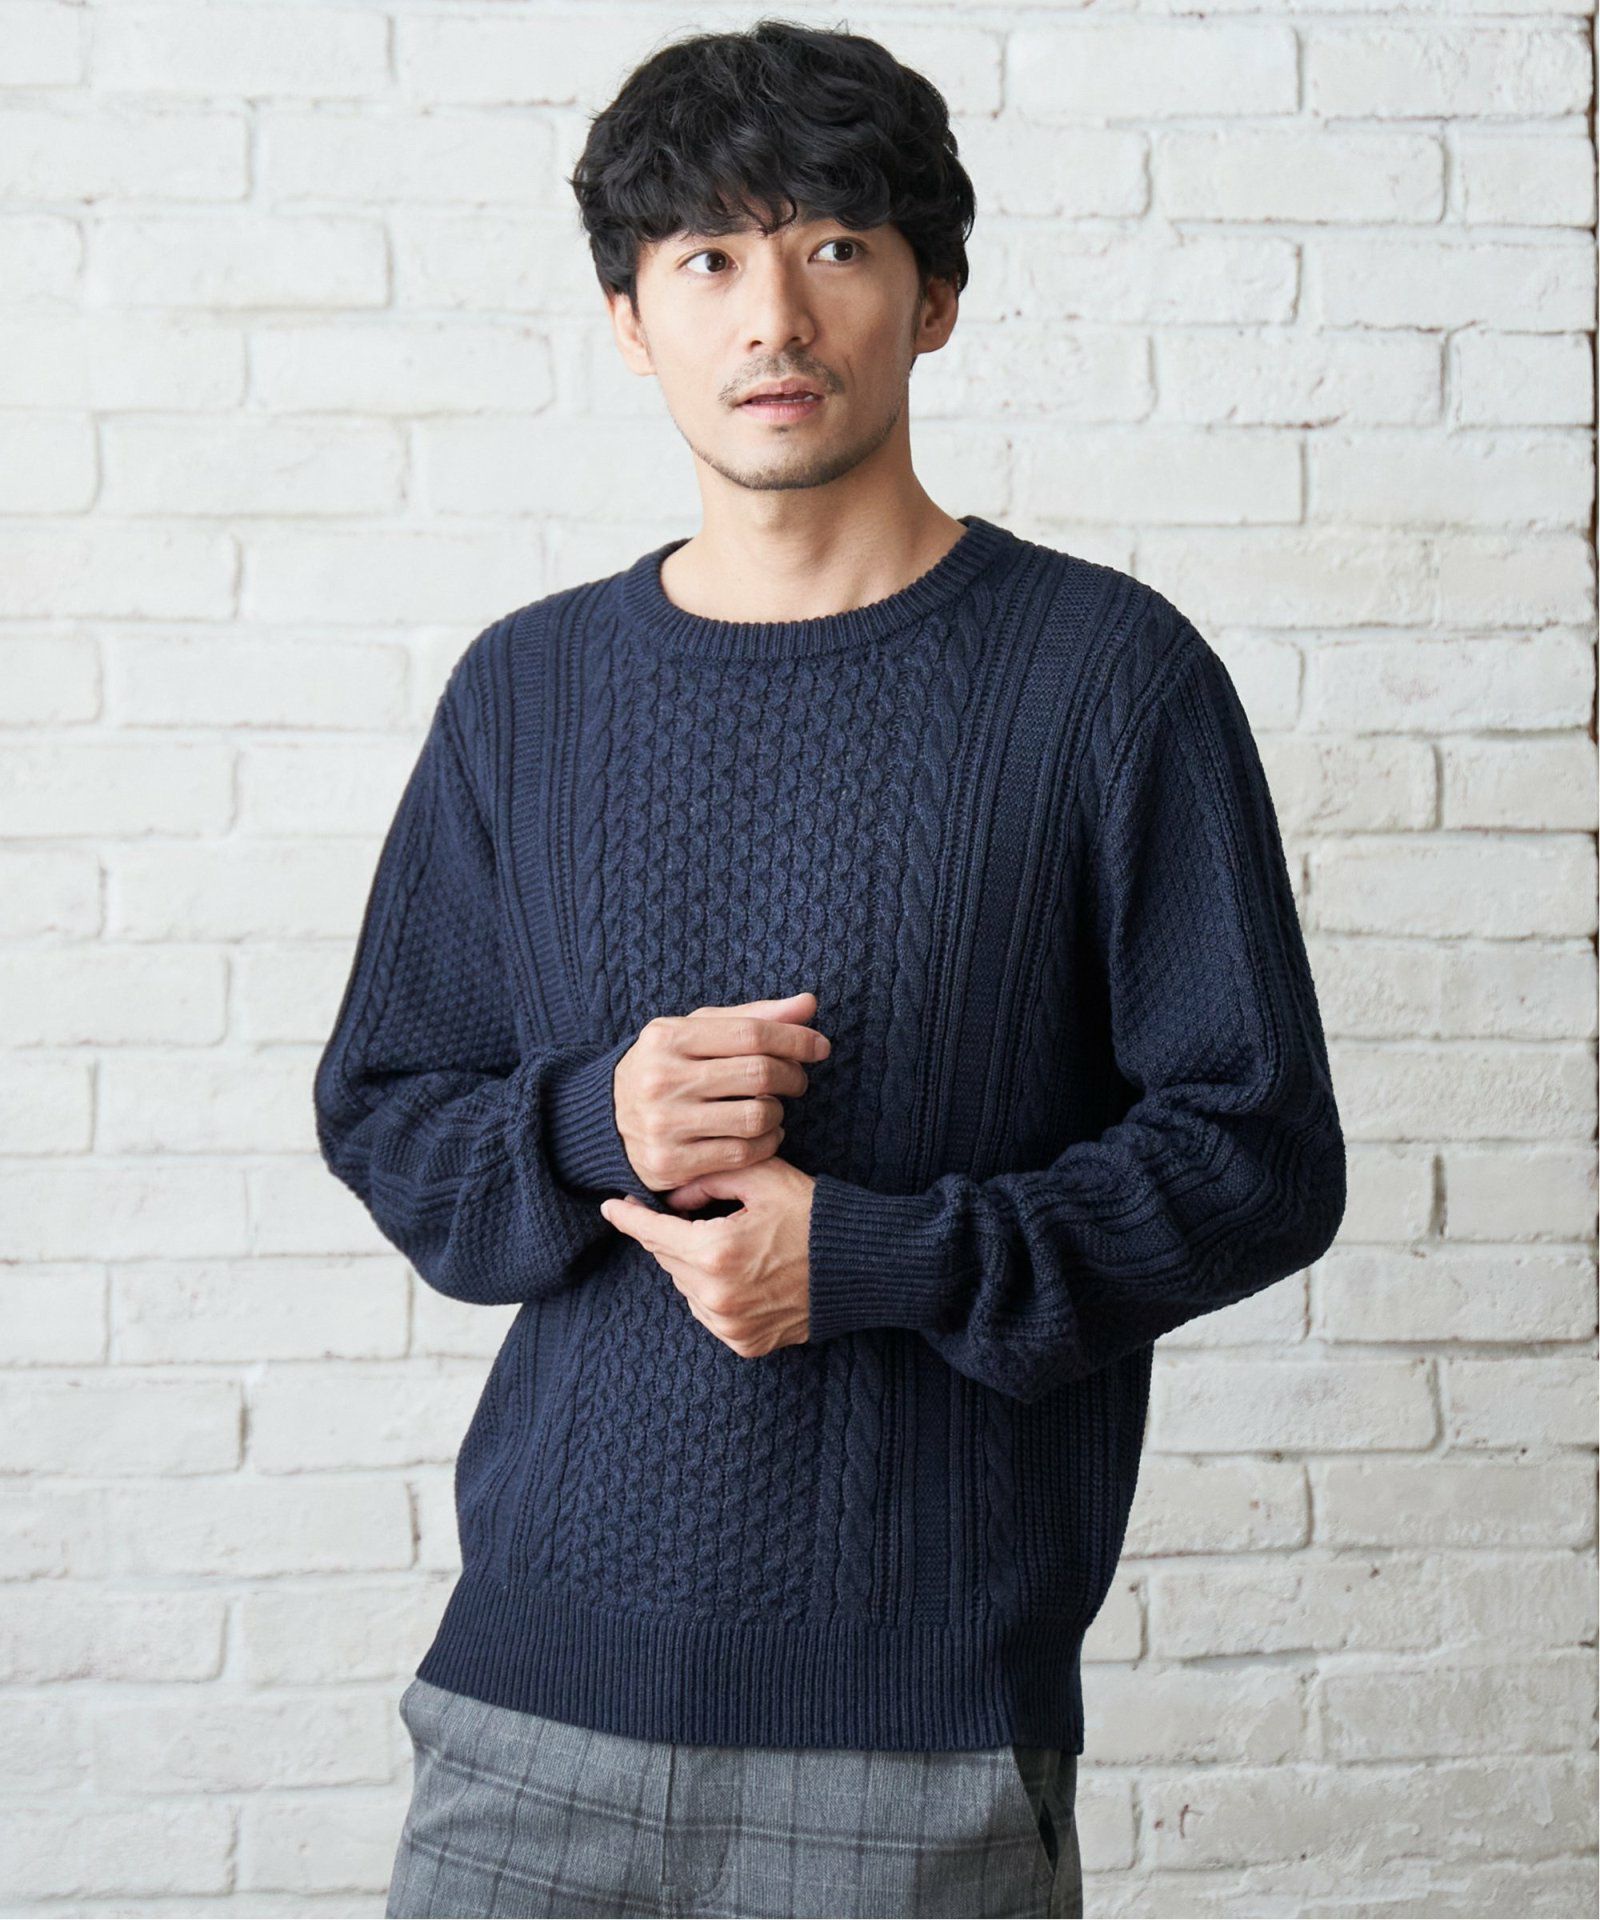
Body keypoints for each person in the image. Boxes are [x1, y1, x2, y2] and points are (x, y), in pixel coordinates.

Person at [312, 17, 1347, 1919]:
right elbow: (386, 1113)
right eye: (707, 257)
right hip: (526, 1704)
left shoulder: (1107, 679)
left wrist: (875, 1257)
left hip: (916, 1734)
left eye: (836, 246)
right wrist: (593, 1121)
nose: (772, 316)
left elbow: (1260, 1154)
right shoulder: (526, 692)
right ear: (630, 321)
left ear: (933, 299)